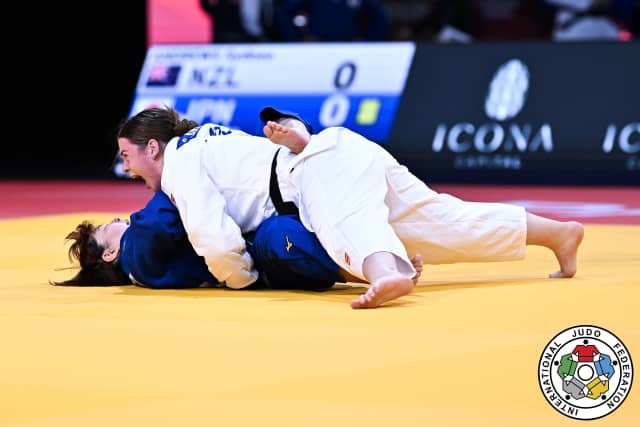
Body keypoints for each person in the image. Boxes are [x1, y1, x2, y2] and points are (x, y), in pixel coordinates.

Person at [116, 106, 584, 309]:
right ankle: (558, 234)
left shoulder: (179, 165)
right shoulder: (204, 137)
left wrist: (244, 280)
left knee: (345, 225)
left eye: (127, 156)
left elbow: (213, 239)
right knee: (443, 222)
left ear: (152, 147)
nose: (127, 167)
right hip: (340, 151)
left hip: (314, 174)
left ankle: (385, 274)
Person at [54, 191, 409, 289]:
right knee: (279, 235)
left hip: (257, 249)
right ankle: (373, 271)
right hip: (262, 259)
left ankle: (384, 257)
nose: (119, 219)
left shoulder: (140, 256)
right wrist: (172, 173)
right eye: (108, 228)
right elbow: (160, 220)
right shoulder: (137, 257)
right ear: (110, 254)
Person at [275, 0, 389, 42]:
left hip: (350, 48)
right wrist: (297, 40)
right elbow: (285, 13)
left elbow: (380, 17)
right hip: (318, 48)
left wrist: (368, 40)